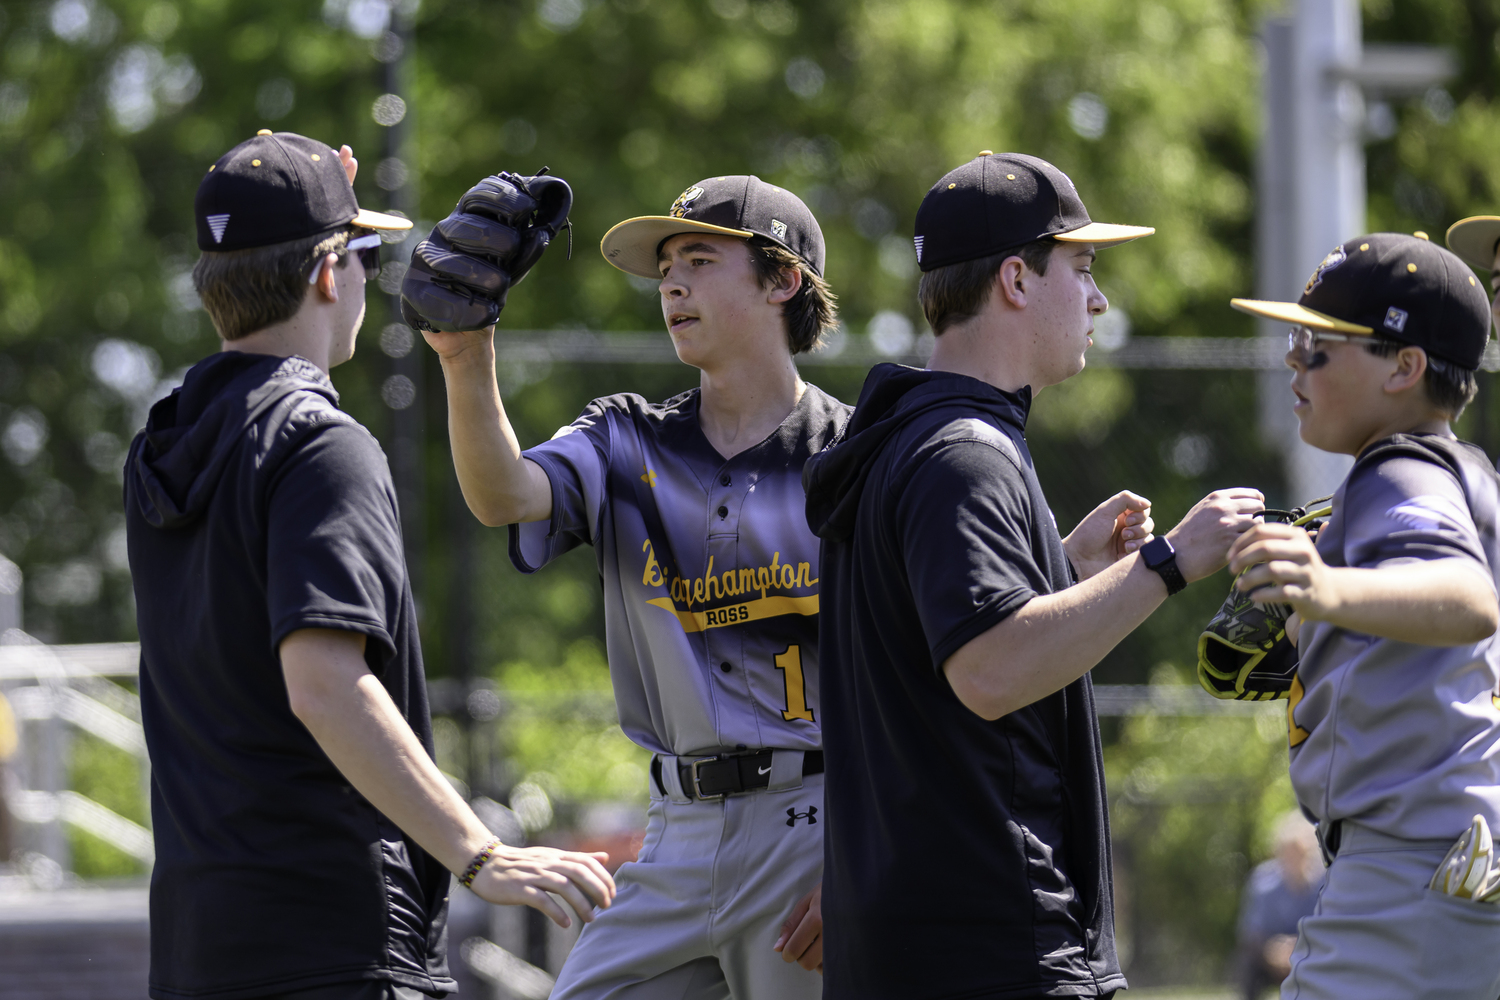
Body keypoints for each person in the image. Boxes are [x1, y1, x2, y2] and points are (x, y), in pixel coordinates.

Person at [125, 130, 615, 1000]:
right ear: (325, 273)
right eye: (364, 253)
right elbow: (323, 685)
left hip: (202, 947)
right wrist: (481, 853)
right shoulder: (320, 444)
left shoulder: (162, 447)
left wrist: (307, 201)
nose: (370, 275)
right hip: (336, 945)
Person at [802, 151, 1267, 1000]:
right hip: (989, 948)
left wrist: (1065, 570)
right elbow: (989, 669)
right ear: (1016, 278)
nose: (1098, 299)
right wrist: (1168, 566)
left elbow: (944, 654)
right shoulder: (964, 456)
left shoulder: (907, 441)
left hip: (914, 948)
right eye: (1083, 268)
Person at [423, 175, 846, 998]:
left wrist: (868, 856)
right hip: (675, 834)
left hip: (818, 827)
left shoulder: (860, 451)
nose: (672, 284)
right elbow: (503, 494)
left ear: (783, 279)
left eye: (698, 258)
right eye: (665, 269)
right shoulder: (625, 436)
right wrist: (464, 353)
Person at [1226, 231, 1500, 1000]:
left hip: (1410, 867)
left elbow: (1469, 598)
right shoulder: (1463, 471)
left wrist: (1327, 591)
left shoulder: (1398, 469)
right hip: (1447, 855)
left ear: (1405, 368)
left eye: (1322, 343)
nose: (1294, 358)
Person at [1235, 811, 1323, 1000]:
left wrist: (1299, 948)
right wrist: (1271, 951)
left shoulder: (1323, 883)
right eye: (1288, 852)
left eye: (1300, 853)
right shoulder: (1262, 882)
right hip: (1270, 959)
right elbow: (1250, 934)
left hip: (1310, 955)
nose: (1294, 859)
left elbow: (1329, 931)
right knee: (1246, 963)